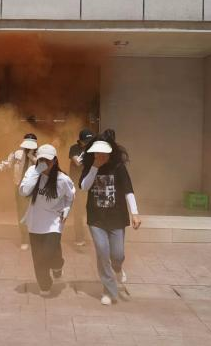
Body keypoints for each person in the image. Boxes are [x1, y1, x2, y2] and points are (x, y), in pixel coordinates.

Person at [80, 130, 142, 306]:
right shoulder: (90, 166)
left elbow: (128, 190)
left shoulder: (118, 167)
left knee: (117, 255)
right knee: (102, 252)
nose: (100, 155)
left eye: (104, 153)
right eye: (97, 153)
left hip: (116, 218)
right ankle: (109, 290)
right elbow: (84, 187)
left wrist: (135, 213)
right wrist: (94, 167)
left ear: (110, 152)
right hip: (96, 218)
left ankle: (118, 268)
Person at [19, 144, 75, 296]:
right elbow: (24, 191)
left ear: (55, 160)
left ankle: (58, 265)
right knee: (39, 258)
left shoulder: (63, 179)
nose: (45, 164)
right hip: (35, 222)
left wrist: (66, 210)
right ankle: (44, 285)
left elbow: (70, 197)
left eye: (48, 161)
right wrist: (37, 171)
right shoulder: (32, 172)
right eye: (41, 160)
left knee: (50, 254)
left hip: (54, 223)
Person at [0, 133, 38, 250]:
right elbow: (7, 163)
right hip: (19, 187)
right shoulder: (17, 154)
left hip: (34, 188)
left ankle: (35, 238)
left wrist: (32, 156)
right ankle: (24, 239)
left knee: (35, 213)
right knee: (22, 213)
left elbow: (43, 167)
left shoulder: (40, 155)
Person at [68, 128, 95, 246]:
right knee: (78, 211)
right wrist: (88, 155)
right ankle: (79, 237)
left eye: (90, 141)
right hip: (77, 185)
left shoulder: (93, 148)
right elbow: (77, 163)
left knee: (92, 209)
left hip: (91, 183)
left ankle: (95, 236)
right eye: (87, 141)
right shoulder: (74, 148)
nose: (89, 143)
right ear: (81, 141)